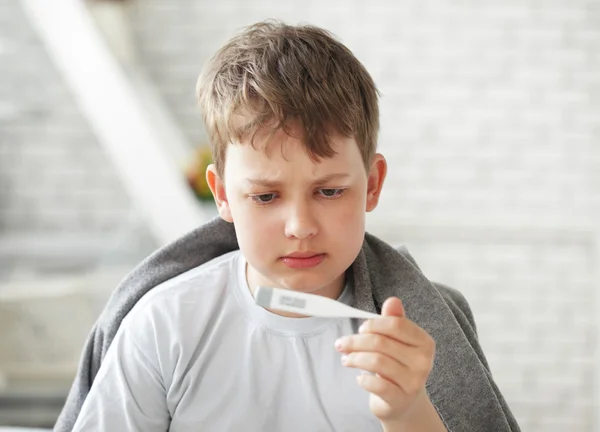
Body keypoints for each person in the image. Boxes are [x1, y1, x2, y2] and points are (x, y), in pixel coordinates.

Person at [56, 20, 521, 432]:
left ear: (372, 185)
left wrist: (406, 412)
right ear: (222, 195)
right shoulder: (164, 326)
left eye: (330, 191)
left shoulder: (420, 335)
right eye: (265, 196)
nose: (300, 227)